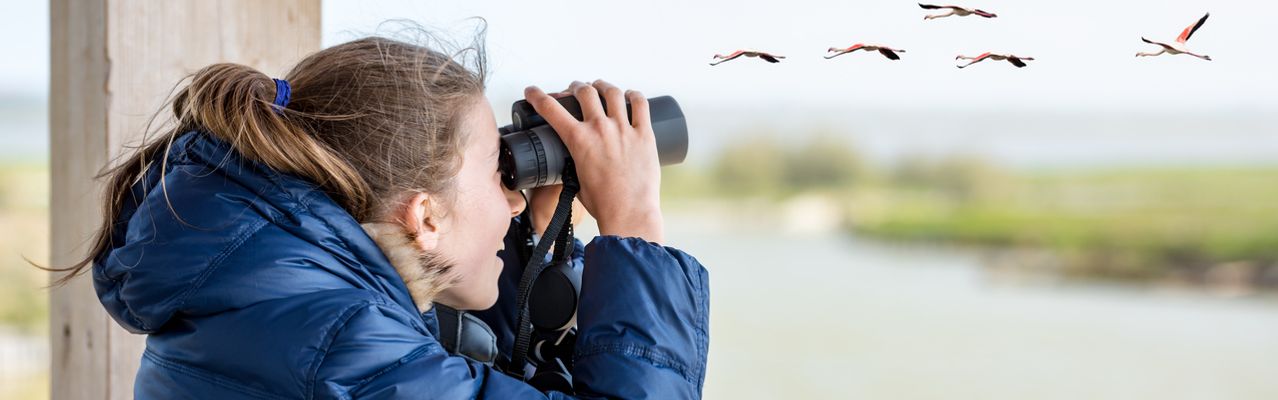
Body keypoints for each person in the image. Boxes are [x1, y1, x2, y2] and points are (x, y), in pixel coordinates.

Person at [57, 35, 709, 398]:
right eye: (497, 171)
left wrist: (539, 233)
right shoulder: (341, 348)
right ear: (423, 216)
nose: (512, 197)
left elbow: (472, 377)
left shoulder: (279, 302)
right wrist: (634, 223)